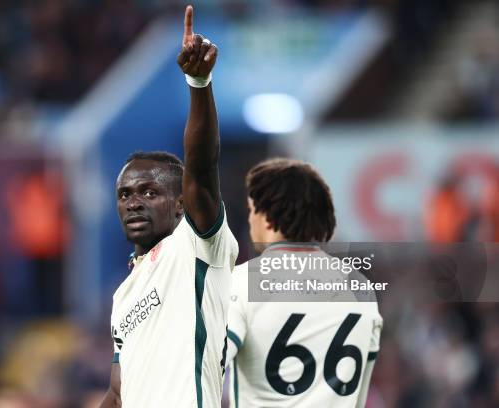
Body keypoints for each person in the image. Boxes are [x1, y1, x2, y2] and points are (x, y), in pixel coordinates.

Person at [100, 6, 238, 408]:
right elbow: (118, 391)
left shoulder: (195, 247)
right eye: (125, 195)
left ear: (181, 204)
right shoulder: (124, 295)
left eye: (148, 192)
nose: (133, 202)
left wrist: (198, 82)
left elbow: (201, 165)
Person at [226, 158, 383, 407]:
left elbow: (204, 369)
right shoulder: (360, 287)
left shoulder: (242, 281)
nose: (249, 219)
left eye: (252, 210)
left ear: (267, 217)